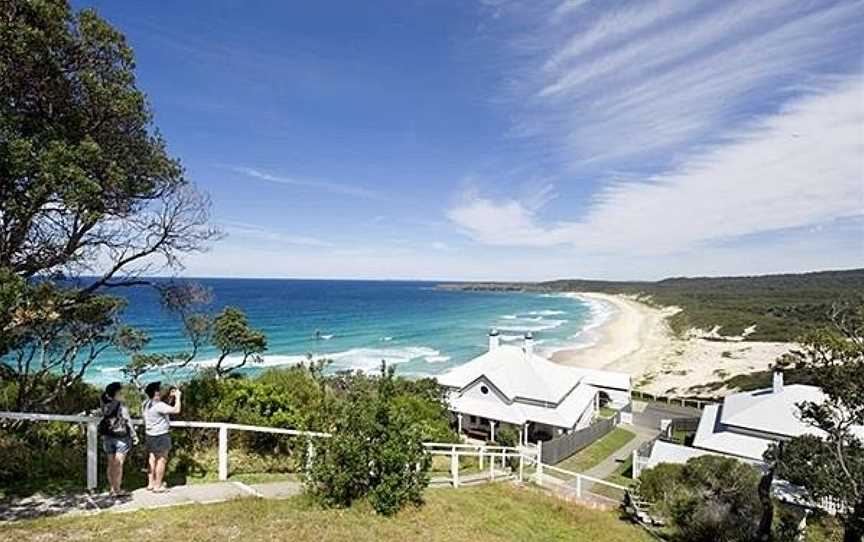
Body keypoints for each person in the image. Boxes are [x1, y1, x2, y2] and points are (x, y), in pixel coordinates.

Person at [98, 382, 138, 497]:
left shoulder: (104, 404)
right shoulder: (121, 405)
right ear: (116, 393)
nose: (122, 393)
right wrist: (134, 436)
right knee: (118, 464)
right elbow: (128, 421)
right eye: (120, 392)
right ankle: (117, 489)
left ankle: (112, 488)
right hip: (121, 437)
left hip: (108, 436)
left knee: (111, 463)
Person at [142, 381, 181, 492]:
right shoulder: (159, 405)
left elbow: (162, 409)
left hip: (150, 435)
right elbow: (176, 410)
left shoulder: (145, 404)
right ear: (156, 393)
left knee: (152, 458)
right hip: (161, 435)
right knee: (162, 460)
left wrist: (169, 397)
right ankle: (158, 486)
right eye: (159, 390)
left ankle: (151, 484)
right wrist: (178, 397)